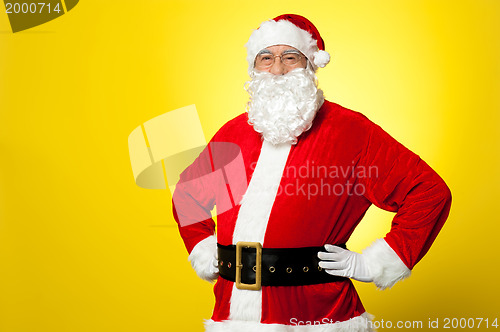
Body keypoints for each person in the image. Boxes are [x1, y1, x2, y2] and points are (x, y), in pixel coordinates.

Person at [172, 14, 452, 332]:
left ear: (310, 65)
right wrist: (202, 246)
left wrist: (375, 262)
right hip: (232, 313)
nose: (277, 69)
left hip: (318, 314)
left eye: (290, 57)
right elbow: (189, 194)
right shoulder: (234, 133)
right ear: (254, 66)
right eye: (266, 58)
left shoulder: (351, 132)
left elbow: (428, 191)